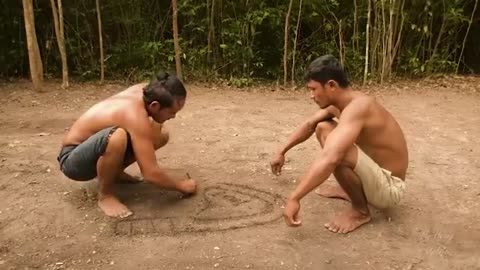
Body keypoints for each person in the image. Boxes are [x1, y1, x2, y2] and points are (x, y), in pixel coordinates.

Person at [270, 55, 408, 233]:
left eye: (313, 89)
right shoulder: (341, 103)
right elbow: (310, 125)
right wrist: (282, 151)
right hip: (377, 176)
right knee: (323, 128)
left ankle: (360, 211)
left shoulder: (359, 107)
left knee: (337, 150)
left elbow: (330, 157)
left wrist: (294, 198)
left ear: (331, 85)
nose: (311, 96)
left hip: (390, 189)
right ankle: (352, 190)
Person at [57, 72, 197, 218]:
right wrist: (181, 186)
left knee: (160, 136)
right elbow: (150, 174)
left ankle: (113, 173)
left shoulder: (148, 91)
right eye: (171, 112)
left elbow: (154, 129)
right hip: (73, 161)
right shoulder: (134, 114)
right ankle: (106, 196)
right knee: (117, 138)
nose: (173, 116)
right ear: (155, 106)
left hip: (94, 148)